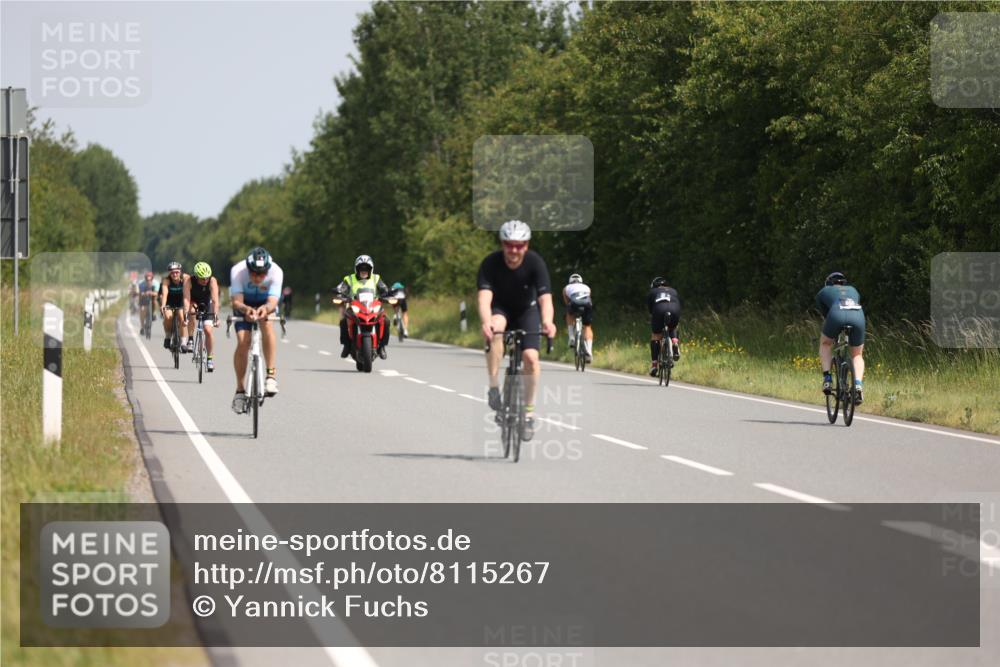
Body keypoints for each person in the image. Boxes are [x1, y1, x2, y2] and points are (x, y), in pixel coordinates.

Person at [477, 220, 556, 441]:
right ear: (502, 244)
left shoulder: (535, 262)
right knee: (496, 329)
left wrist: (548, 322)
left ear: (526, 245)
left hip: (526, 311)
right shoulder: (490, 263)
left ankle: (528, 412)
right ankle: (494, 388)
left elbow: (545, 299)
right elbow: (484, 299)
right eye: (509, 245)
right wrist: (486, 322)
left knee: (531, 358)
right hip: (500, 309)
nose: (513, 250)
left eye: (519, 245)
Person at [230, 247, 284, 413]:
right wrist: (246, 310)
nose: (258, 277)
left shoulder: (276, 272)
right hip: (243, 304)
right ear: (248, 269)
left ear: (268, 270)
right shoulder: (238, 271)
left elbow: (273, 301)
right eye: (254, 273)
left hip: (265, 303)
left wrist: (264, 310)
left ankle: (270, 376)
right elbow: (236, 301)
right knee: (243, 341)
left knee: (267, 325)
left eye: (262, 274)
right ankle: (240, 390)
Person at [816, 271, 866, 404]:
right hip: (858, 315)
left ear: (828, 283)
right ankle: (858, 385)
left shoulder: (824, 291)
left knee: (825, 344)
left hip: (836, 314)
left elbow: (826, 315)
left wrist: (831, 333)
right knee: (857, 355)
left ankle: (827, 379)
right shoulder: (853, 290)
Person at [334, 255, 390, 359]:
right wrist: (339, 292)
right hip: (355, 306)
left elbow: (384, 289)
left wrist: (387, 293)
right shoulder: (349, 278)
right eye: (361, 268)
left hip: (373, 306)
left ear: (371, 269)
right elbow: (341, 287)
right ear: (357, 269)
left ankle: (382, 347)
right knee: (343, 321)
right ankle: (346, 345)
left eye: (366, 268)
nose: (364, 270)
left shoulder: (376, 278)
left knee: (386, 321)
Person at [184, 261, 220, 371]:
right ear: (196, 276)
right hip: (193, 301)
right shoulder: (189, 281)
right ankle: (190, 339)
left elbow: (215, 300)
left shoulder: (212, 281)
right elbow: (186, 299)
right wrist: (185, 315)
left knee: (208, 331)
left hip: (207, 303)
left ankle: (209, 359)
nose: (205, 280)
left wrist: (216, 317)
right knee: (191, 312)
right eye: (202, 278)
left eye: (207, 278)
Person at [647, 277, 681, 377]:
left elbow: (650, 310)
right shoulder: (673, 290)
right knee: (673, 326)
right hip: (675, 309)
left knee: (656, 336)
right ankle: (674, 342)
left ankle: (654, 365)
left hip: (659, 310)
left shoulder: (653, 292)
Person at [562, 273, 593, 361]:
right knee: (587, 327)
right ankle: (589, 351)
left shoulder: (566, 288)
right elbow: (588, 298)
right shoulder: (587, 287)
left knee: (569, 312)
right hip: (587, 304)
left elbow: (567, 302)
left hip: (574, 303)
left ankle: (571, 337)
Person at [159, 261, 189, 351]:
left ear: (180, 271)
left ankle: (183, 342)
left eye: (177, 272)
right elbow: (164, 293)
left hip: (181, 302)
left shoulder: (185, 278)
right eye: (172, 273)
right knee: (168, 316)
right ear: (169, 273)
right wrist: (163, 305)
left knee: (181, 316)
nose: (174, 274)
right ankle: (168, 337)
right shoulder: (166, 280)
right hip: (170, 302)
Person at [137, 271, 159, 336]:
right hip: (143, 299)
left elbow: (157, 293)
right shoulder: (141, 284)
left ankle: (153, 313)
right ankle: (142, 327)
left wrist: (150, 293)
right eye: (147, 279)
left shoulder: (156, 283)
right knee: (142, 310)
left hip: (152, 298)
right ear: (145, 279)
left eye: (150, 279)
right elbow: (139, 294)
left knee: (154, 301)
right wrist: (142, 294)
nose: (148, 280)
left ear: (152, 278)